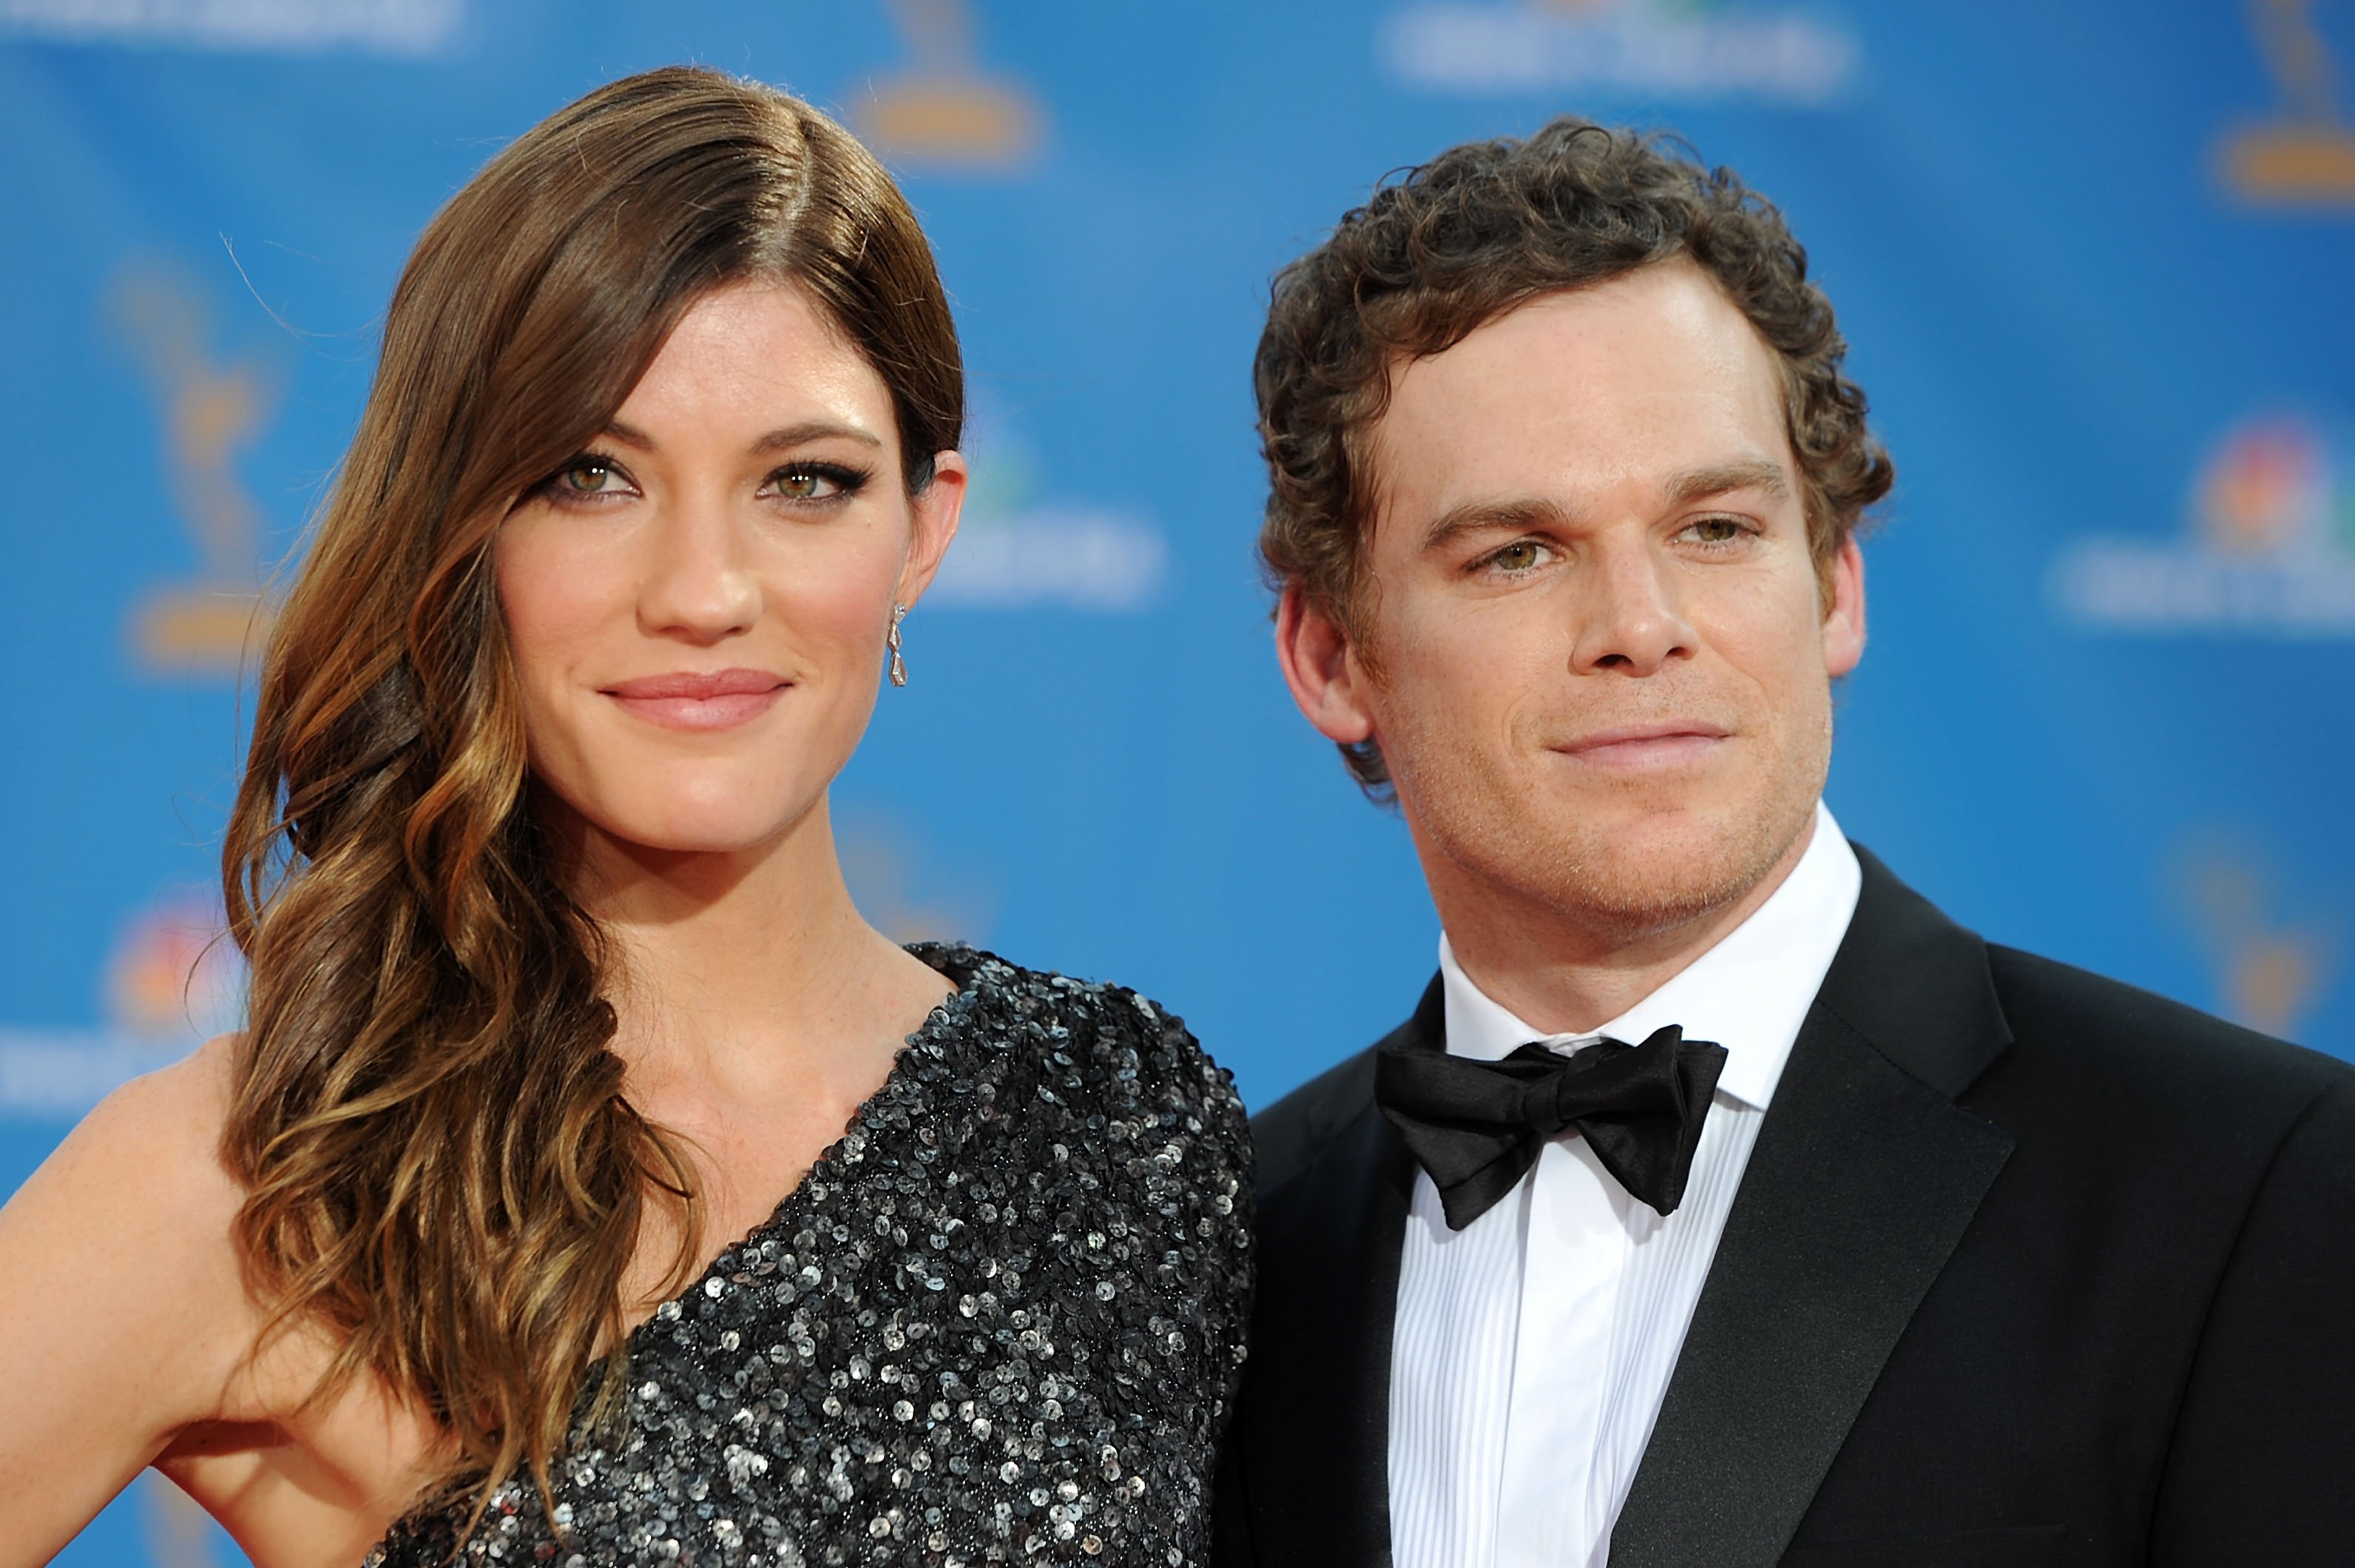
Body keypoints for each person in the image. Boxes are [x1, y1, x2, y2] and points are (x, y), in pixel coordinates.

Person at [0, 67, 1249, 1568]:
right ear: (464, 535)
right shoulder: (284, 1180)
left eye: (804, 481)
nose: (702, 591)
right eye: (590, 477)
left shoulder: (1121, 1127)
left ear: (925, 528)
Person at [1214, 120, 2355, 1567]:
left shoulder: (2250, 1193)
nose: (1639, 624)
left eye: (1712, 528)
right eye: (1517, 552)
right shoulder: (1221, 1253)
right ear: (1327, 657)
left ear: (1832, 587)